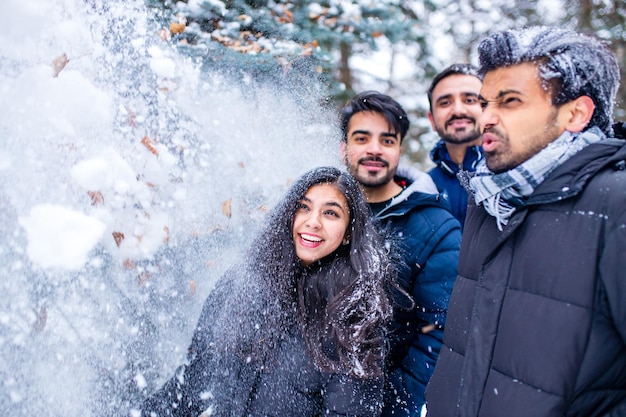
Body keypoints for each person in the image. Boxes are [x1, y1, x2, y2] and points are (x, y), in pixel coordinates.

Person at [425, 26, 626, 417]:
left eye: (510, 101)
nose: (487, 118)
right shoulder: (490, 201)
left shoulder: (614, 205)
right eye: (485, 103)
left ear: (575, 113)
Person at [139, 166, 396, 417]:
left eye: (330, 213)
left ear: (349, 233)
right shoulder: (240, 284)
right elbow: (188, 385)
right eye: (304, 207)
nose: (313, 222)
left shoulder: (353, 319)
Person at [340, 91, 462, 416]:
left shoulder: (437, 228)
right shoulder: (322, 213)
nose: (374, 149)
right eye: (362, 138)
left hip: (381, 402)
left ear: (399, 150)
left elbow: (438, 333)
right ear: (344, 148)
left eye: (387, 140)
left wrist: (393, 405)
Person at [427, 63, 484, 229]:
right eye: (445, 103)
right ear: (432, 119)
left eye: (470, 100)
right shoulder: (424, 188)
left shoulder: (514, 177)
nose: (458, 110)